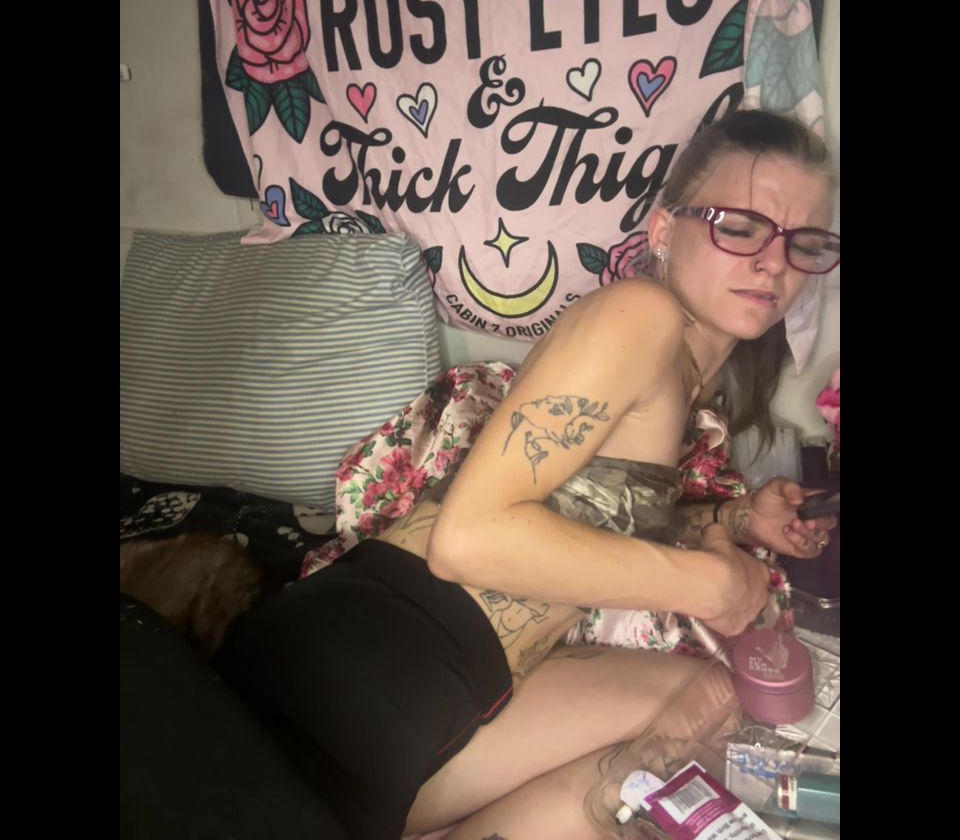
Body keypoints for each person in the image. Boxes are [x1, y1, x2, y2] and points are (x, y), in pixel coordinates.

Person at [215, 109, 840, 840]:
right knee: (692, 725)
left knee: (703, 706)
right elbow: (468, 540)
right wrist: (704, 583)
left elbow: (592, 509)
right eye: (740, 226)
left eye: (804, 243)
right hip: (386, 654)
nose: (774, 263)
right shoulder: (640, 315)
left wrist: (733, 519)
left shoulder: (685, 373)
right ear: (663, 232)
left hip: (459, 666)